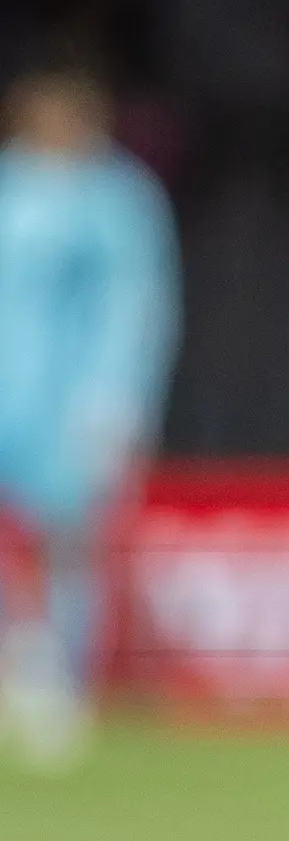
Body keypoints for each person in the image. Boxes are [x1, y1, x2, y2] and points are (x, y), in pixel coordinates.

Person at [0, 65, 180, 771]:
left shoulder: (118, 198)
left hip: (72, 403)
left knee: (70, 542)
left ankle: (63, 686)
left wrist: (119, 401)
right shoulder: (10, 185)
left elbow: (139, 306)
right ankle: (24, 657)